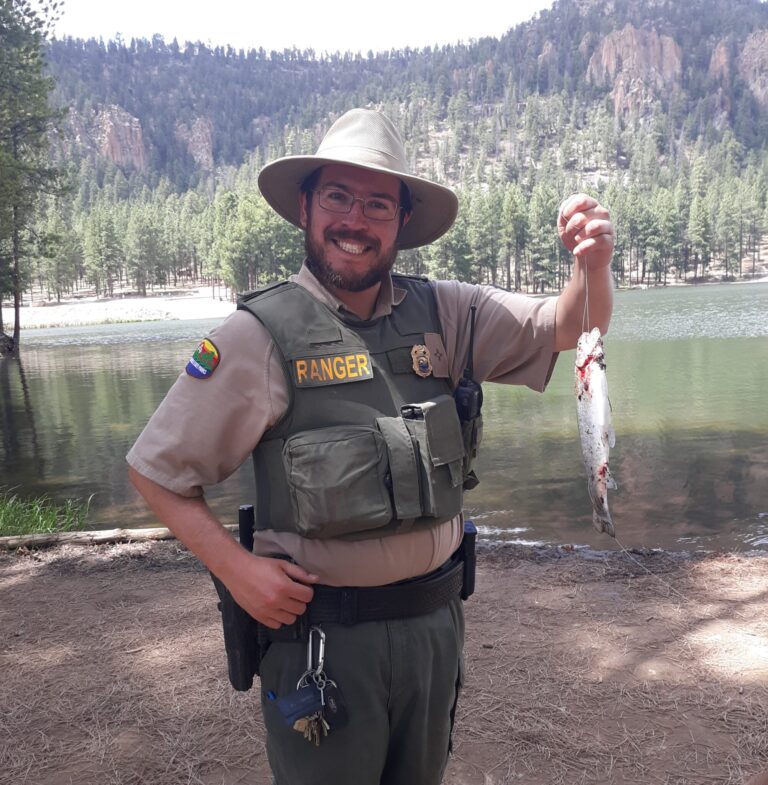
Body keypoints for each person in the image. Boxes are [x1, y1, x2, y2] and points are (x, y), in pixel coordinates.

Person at [127, 108, 614, 785]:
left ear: (402, 222)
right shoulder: (255, 337)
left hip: (433, 631)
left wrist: (593, 264)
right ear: (305, 207)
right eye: (338, 197)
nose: (355, 220)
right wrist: (238, 574)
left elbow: (570, 325)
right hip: (322, 646)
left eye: (378, 204)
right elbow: (155, 471)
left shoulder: (449, 314)